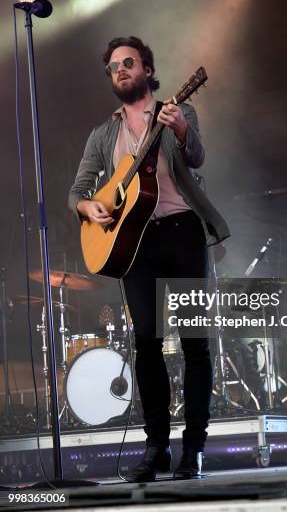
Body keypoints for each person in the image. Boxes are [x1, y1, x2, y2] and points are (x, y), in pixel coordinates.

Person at [68, 36, 229, 481]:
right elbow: (77, 191)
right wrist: (88, 207)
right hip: (134, 244)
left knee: (195, 343)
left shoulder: (178, 110)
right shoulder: (103, 134)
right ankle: (155, 446)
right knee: (146, 346)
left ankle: (192, 449)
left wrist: (180, 129)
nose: (120, 70)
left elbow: (196, 155)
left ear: (147, 70)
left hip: (182, 234)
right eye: (113, 67)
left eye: (128, 63)